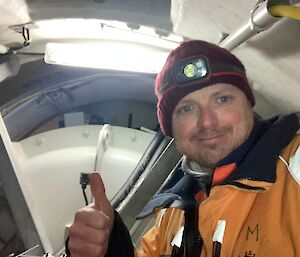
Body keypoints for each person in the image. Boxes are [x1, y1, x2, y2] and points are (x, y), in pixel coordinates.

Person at [66, 40, 300, 257]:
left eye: (222, 99)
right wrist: (110, 249)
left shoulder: (295, 168)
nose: (207, 121)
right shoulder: (174, 210)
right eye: (187, 109)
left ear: (248, 103)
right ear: (172, 130)